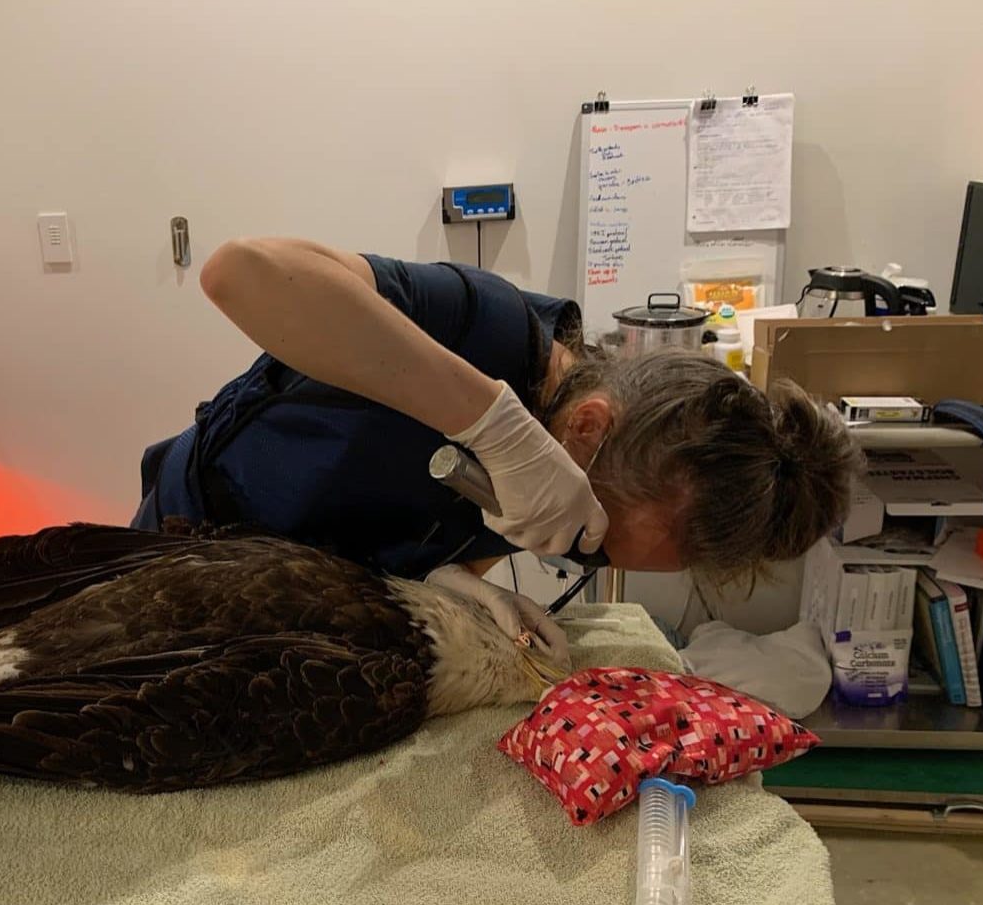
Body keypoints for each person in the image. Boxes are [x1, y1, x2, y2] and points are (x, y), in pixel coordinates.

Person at [131, 237, 862, 662]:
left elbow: (414, 547)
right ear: (587, 427)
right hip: (182, 547)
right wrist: (490, 423)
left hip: (286, 617)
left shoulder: (559, 477)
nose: (573, 550)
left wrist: (453, 584)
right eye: (594, 544)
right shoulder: (480, 322)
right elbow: (240, 275)